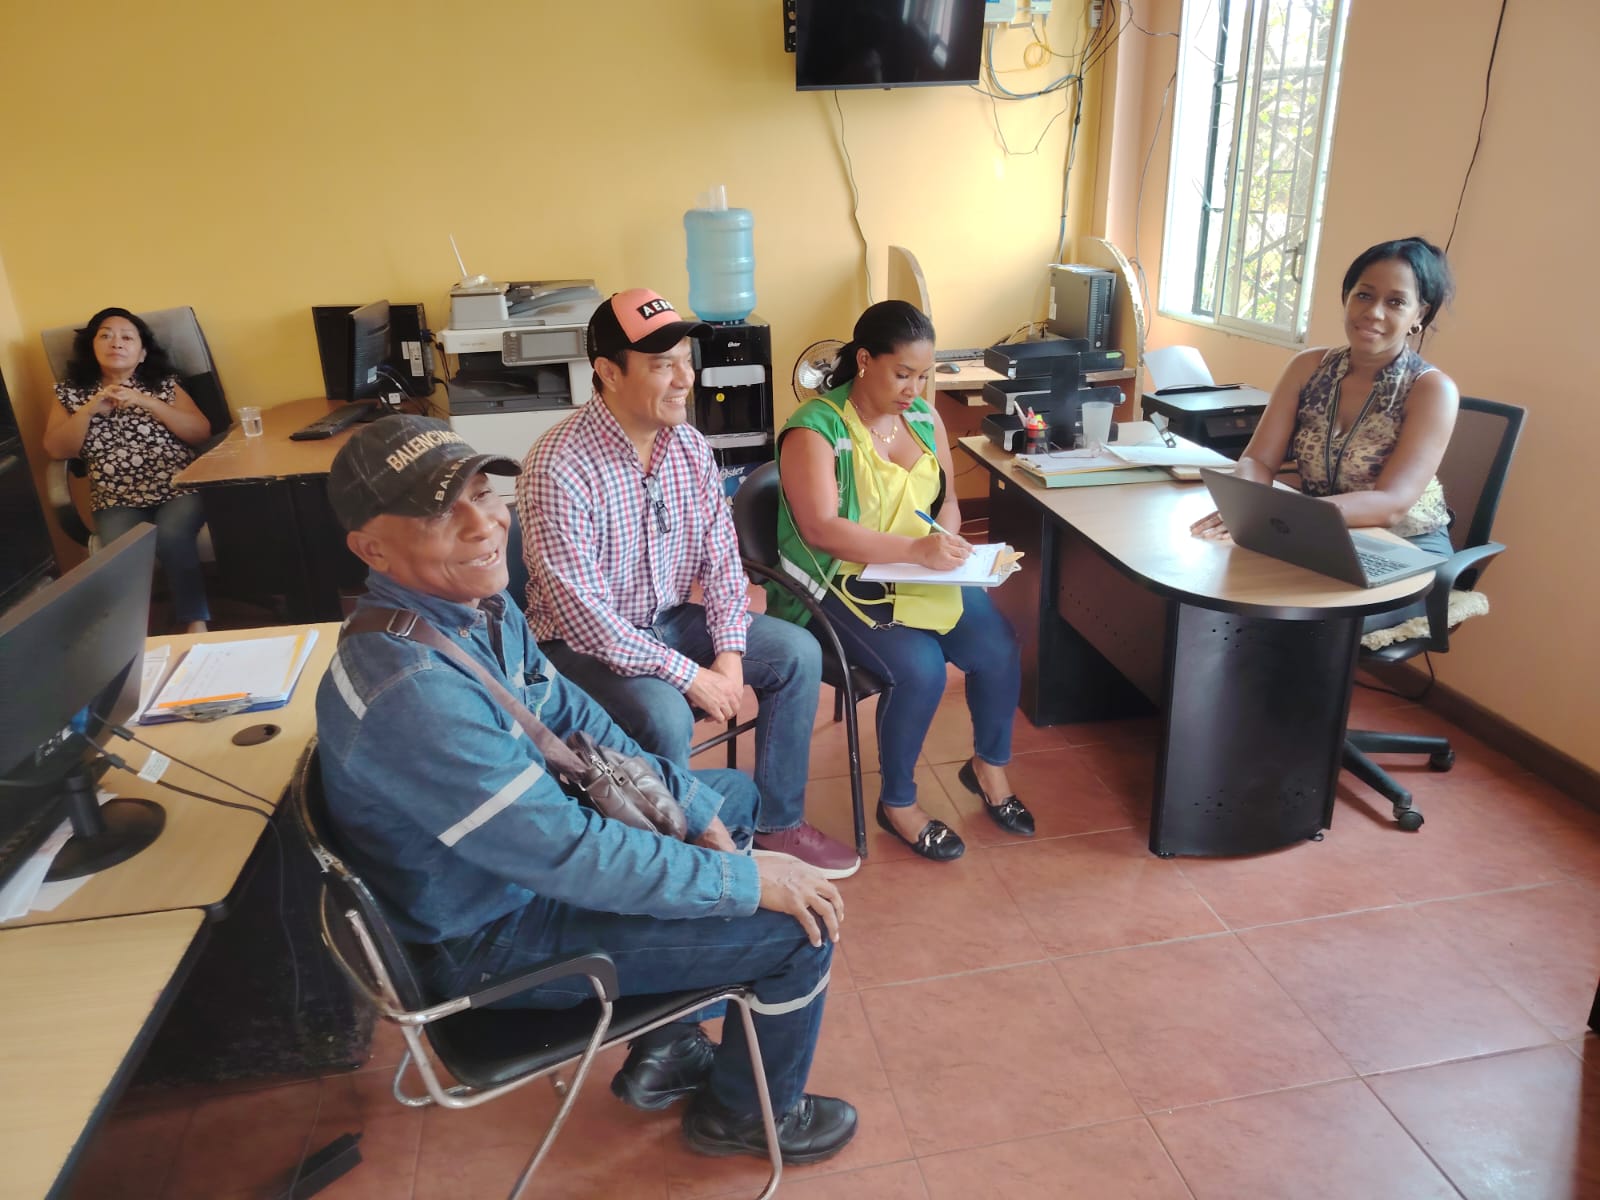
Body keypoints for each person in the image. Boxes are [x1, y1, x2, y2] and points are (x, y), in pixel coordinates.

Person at [315, 415, 858, 1163]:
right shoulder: (411, 692)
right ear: (371, 549)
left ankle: (667, 1050)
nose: (483, 524)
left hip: (513, 872)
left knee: (727, 799)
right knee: (797, 929)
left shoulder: (472, 608)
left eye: (482, 492)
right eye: (441, 514)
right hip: (490, 937)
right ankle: (741, 1116)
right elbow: (569, 853)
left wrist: (692, 812)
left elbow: (572, 717)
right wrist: (740, 880)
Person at [518, 288, 858, 878]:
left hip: (670, 620)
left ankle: (777, 824)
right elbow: (586, 619)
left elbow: (723, 563)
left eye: (685, 361)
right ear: (608, 372)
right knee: (666, 714)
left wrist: (728, 656)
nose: (685, 379)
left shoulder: (689, 447)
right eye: (662, 365)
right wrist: (693, 677)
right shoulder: (558, 464)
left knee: (797, 653)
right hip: (576, 648)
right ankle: (677, 863)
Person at [771, 300, 1032, 863]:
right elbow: (821, 529)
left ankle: (987, 767)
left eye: (923, 376)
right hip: (833, 581)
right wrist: (917, 550)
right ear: (865, 360)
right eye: (902, 374)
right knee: (920, 670)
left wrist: (948, 543)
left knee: (997, 646)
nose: (913, 389)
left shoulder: (923, 418)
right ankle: (898, 804)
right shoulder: (815, 429)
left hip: (917, 569)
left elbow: (948, 500)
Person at [1189, 237, 1460, 626]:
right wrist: (1246, 508)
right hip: (1320, 538)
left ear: (1420, 314)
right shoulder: (1309, 368)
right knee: (1220, 587)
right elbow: (1259, 459)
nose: (1374, 312)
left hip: (1406, 550)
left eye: (1396, 302)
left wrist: (1284, 515)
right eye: (1364, 295)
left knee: (1299, 624)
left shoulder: (1431, 389)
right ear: (1346, 298)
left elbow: (1391, 504)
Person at [42, 307, 214, 632]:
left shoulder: (163, 385)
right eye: (105, 336)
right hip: (115, 499)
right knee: (123, 554)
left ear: (142, 352)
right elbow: (57, 449)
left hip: (177, 487)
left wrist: (148, 402)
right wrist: (89, 410)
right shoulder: (70, 393)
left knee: (173, 535)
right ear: (92, 347)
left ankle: (195, 622)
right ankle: (133, 635)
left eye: (127, 337)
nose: (116, 342)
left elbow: (200, 432)